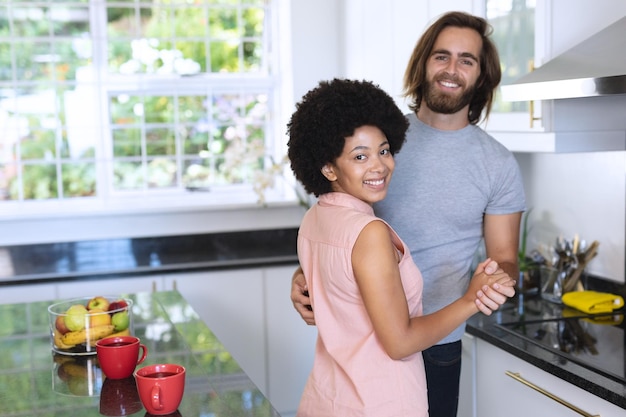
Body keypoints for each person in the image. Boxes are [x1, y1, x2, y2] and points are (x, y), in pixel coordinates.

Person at [290, 11, 526, 417]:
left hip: (438, 343)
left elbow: (505, 257)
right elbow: (337, 221)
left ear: (481, 76)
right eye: (441, 56)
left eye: (466, 60)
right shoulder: (377, 138)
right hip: (364, 342)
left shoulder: (498, 164)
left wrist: (491, 284)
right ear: (423, 63)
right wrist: (305, 277)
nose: (452, 69)